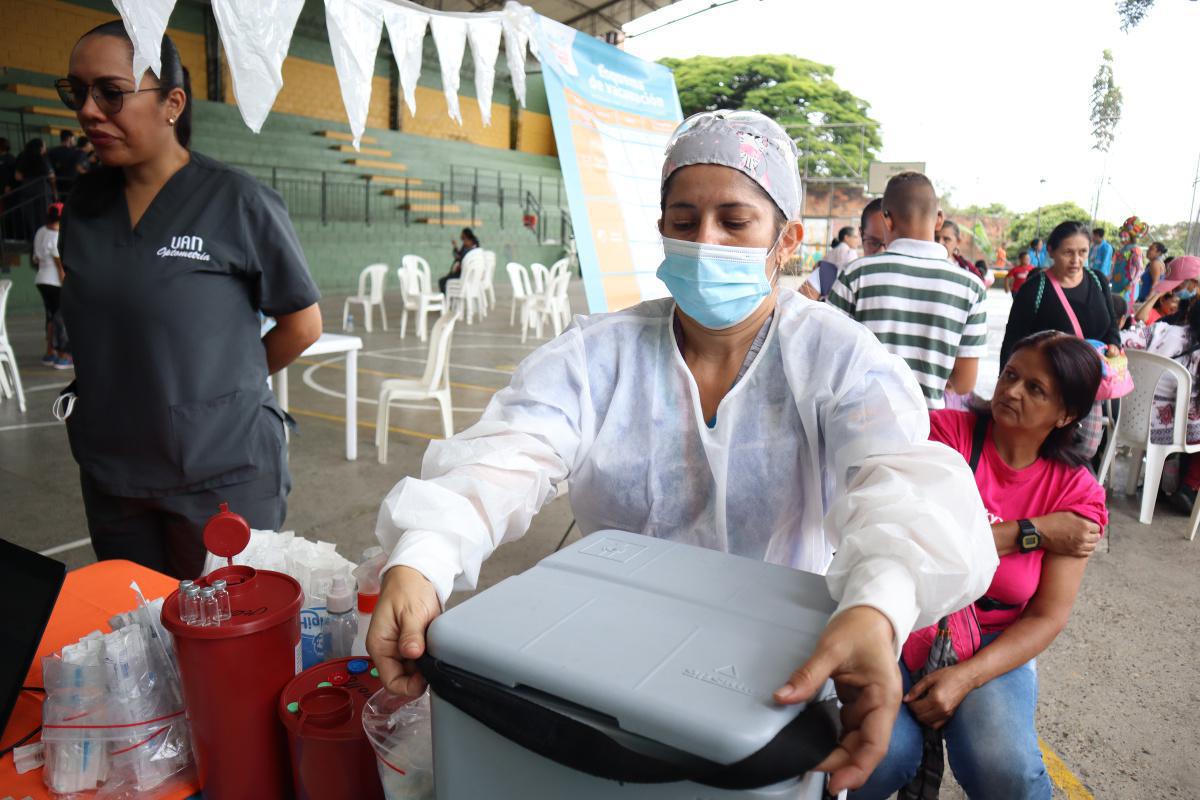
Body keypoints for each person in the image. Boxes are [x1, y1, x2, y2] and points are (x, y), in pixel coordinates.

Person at [367, 110, 998, 795]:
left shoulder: (836, 358)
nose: (705, 242)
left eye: (734, 221)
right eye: (684, 219)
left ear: (785, 240)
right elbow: (508, 452)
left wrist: (876, 607)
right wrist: (427, 553)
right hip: (602, 667)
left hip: (764, 683)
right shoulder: (598, 355)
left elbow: (900, 483)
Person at [57, 21, 323, 578]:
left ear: (172, 103)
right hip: (114, 471)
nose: (87, 110)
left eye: (110, 92)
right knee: (138, 618)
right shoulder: (83, 206)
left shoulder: (237, 202)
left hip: (222, 473)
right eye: (76, 92)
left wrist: (218, 395)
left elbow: (302, 324)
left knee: (226, 621)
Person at [853, 331, 1107, 800]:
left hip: (994, 639)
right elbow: (918, 547)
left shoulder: (1076, 493)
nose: (1012, 391)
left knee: (1006, 770)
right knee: (877, 757)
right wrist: (1031, 532)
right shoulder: (944, 435)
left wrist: (965, 677)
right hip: (906, 621)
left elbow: (1047, 615)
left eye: (1035, 388)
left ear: (1066, 414)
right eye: (1010, 374)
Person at [829, 172, 988, 409]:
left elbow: (829, 357)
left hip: (859, 422)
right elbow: (964, 383)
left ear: (887, 220)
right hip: (928, 425)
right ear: (939, 220)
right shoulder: (971, 288)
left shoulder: (856, 274)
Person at [1000, 221, 1120, 459]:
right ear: (1051, 251)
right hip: (1047, 385)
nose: (1076, 260)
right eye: (1068, 252)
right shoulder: (1035, 288)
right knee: (1047, 445)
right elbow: (1013, 340)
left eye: (1082, 252)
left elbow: (1111, 325)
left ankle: (1076, 477)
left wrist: (1114, 344)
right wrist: (1006, 384)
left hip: (1091, 381)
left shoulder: (1097, 281)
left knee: (1088, 447)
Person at [32, 202, 71, 369]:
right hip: (55, 283)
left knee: (51, 317)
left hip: (41, 279)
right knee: (61, 318)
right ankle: (63, 355)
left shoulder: (41, 231)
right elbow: (60, 268)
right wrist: (68, 286)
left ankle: (49, 353)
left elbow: (35, 259)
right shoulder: (56, 236)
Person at [13, 138, 56, 240]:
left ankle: (34, 239)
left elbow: (17, 176)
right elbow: (51, 175)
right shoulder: (43, 158)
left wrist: (29, 178)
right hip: (42, 189)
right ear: (40, 148)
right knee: (44, 217)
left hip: (27, 189)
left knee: (30, 219)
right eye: (44, 146)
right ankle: (44, 240)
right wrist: (54, 190)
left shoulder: (23, 157)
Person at [801, 225, 860, 300]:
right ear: (846, 238)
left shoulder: (831, 252)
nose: (858, 240)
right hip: (836, 295)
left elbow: (816, 267)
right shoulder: (850, 252)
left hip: (820, 292)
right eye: (855, 237)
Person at [1110, 215, 1147, 311]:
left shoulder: (1135, 250)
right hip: (1116, 285)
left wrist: (1131, 284)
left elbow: (1140, 270)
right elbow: (1114, 267)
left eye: (1125, 236)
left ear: (1131, 236)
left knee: (1124, 310)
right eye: (1121, 236)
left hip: (1128, 288)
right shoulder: (1121, 250)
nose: (1122, 238)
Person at [438, 227, 479, 294]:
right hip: (466, 273)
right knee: (445, 279)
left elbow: (459, 257)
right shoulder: (471, 245)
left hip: (464, 274)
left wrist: (455, 247)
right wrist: (455, 246)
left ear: (465, 235)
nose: (460, 236)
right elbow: (459, 256)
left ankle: (447, 298)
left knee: (442, 281)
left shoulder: (470, 247)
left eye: (462, 234)